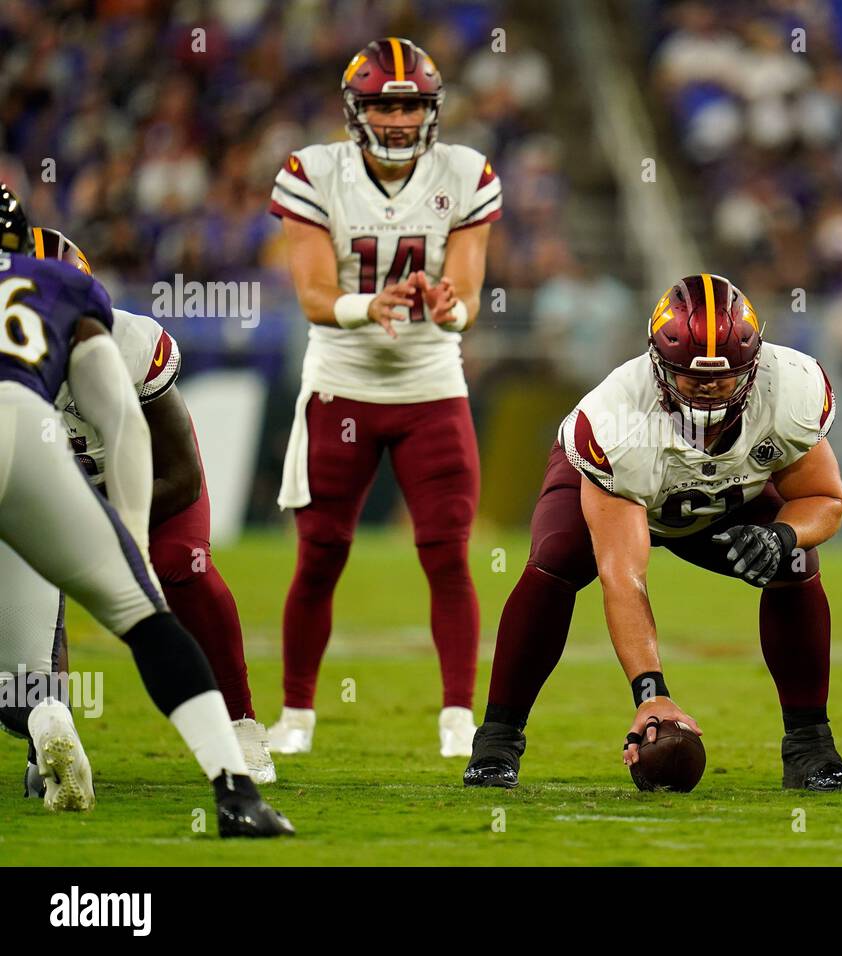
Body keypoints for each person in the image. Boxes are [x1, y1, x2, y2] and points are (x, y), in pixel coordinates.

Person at [464, 274, 842, 791]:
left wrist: (782, 537)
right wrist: (651, 693)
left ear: (756, 364)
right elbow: (624, 577)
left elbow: (825, 500)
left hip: (723, 500)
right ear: (657, 363)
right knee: (557, 559)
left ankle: (811, 746)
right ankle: (497, 740)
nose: (710, 392)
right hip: (622, 493)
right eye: (693, 379)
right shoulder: (615, 418)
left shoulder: (790, 386)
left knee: (797, 562)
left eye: (724, 378)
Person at [0, 183, 290, 836]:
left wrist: (114, 530)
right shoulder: (82, 318)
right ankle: (232, 790)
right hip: (67, 475)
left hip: (123, 483)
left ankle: (234, 725)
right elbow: (123, 432)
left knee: (176, 569)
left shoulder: (130, 343)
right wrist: (105, 541)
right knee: (123, 612)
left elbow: (180, 475)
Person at [268, 37, 500, 758]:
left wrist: (441, 301)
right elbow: (311, 294)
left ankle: (459, 716)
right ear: (355, 108)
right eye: (383, 104)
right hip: (342, 386)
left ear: (431, 110)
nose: (398, 119)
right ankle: (298, 714)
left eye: (410, 105)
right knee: (320, 556)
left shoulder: (464, 173)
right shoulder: (315, 172)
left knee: (447, 554)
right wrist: (370, 307)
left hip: (432, 386)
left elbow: (465, 300)